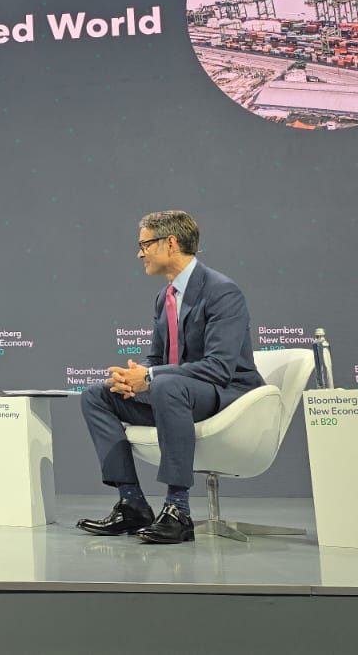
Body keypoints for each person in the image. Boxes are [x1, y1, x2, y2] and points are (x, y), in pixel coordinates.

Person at [78, 211, 263, 544]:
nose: (140, 254)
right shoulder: (165, 297)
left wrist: (151, 377)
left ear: (171, 243)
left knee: (165, 385)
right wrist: (133, 377)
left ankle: (178, 510)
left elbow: (219, 367)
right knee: (98, 394)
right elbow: (158, 359)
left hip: (224, 394)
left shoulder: (222, 291)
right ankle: (132, 504)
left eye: (145, 244)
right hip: (176, 394)